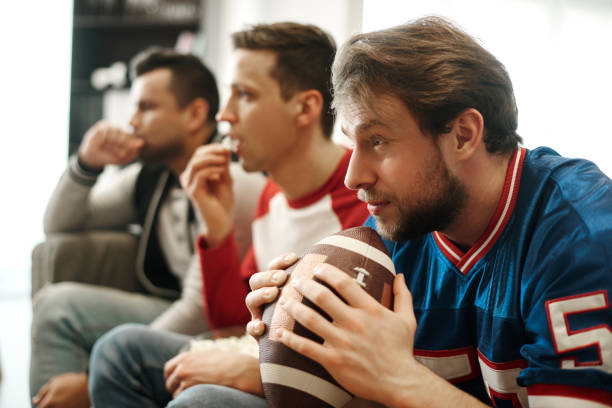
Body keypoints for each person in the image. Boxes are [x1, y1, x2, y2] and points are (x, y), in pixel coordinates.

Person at [243, 16, 612, 408]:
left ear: (463, 135)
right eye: (353, 144)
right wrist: (292, 343)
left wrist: (400, 378)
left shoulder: (579, 233)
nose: (353, 176)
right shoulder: (403, 224)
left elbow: (397, 383)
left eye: (378, 141)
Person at [87, 22, 369, 408]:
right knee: (119, 349)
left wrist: (249, 373)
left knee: (198, 401)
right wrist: (217, 230)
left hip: (314, 388)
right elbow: (233, 323)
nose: (224, 114)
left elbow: (357, 369)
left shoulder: (365, 200)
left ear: (305, 107)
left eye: (245, 95)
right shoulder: (272, 193)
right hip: (262, 357)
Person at [30, 47, 265, 408]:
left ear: (195, 114)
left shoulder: (229, 178)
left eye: (146, 107)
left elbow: (203, 308)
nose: (132, 121)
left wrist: (89, 380)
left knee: (78, 323)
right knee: (55, 304)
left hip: (219, 320)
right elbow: (60, 225)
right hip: (168, 302)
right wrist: (87, 164)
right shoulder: (151, 175)